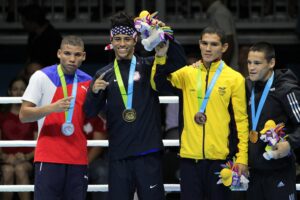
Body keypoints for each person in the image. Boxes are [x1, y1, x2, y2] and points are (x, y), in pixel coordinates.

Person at [84, 11, 185, 200]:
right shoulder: (103, 74)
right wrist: (94, 93)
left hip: (148, 153)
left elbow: (179, 62)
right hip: (119, 154)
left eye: (127, 39)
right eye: (118, 39)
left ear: (135, 39)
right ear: (111, 41)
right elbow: (89, 112)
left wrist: (164, 33)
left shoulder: (149, 66)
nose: (122, 44)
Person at [154, 26, 249, 200]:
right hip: (189, 161)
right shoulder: (188, 73)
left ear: (224, 47)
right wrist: (160, 57)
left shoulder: (235, 79)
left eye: (214, 44)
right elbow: (158, 84)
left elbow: (241, 121)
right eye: (204, 43)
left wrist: (242, 157)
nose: (208, 48)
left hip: (220, 161)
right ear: (199, 44)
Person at [19, 35, 91, 200]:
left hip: (78, 158)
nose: (72, 59)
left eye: (77, 55)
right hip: (49, 156)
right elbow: (24, 115)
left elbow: (99, 115)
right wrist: (52, 108)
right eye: (67, 53)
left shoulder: (89, 82)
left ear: (84, 56)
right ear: (59, 53)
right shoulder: (41, 77)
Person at [246, 42, 300, 200]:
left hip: (279, 171)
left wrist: (289, 143)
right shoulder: (247, 86)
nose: (251, 67)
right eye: (249, 62)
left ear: (271, 63)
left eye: (257, 63)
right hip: (253, 172)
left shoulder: (286, 89)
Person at [0, 77, 37, 200]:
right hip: (5, 161)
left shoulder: (33, 114)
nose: (19, 92)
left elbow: (39, 144)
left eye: (22, 89)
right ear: (10, 92)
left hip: (27, 161)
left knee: (20, 169)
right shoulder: (1, 115)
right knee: (7, 170)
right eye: (15, 89)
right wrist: (4, 157)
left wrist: (26, 157)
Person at [202, 0, 239, 70]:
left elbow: (229, 40)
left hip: (226, 69)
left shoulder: (219, 13)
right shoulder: (217, 11)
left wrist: (222, 68)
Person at [84, 114, 109, 200]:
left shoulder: (96, 118)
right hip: (68, 160)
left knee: (101, 172)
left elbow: (98, 146)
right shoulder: (65, 116)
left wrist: (84, 162)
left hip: (90, 160)